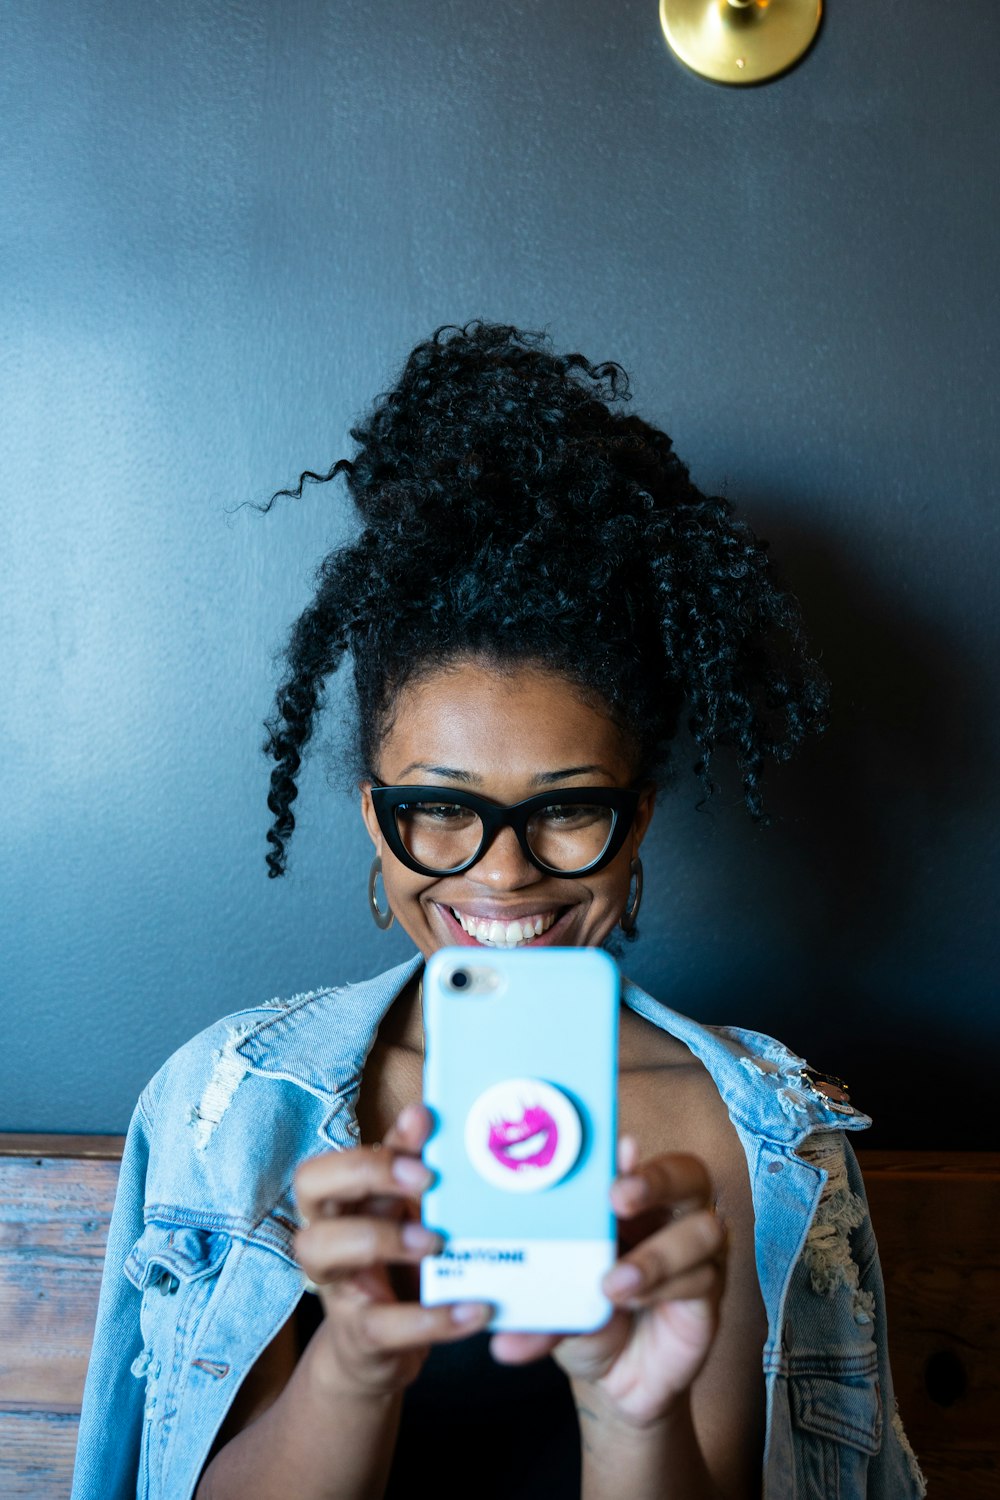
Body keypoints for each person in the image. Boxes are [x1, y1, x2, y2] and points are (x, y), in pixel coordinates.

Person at [72, 323, 925, 1500]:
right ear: (377, 820)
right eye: (441, 811)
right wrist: (355, 1368)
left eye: (568, 810)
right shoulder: (229, 1111)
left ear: (639, 817)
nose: (505, 873)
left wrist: (634, 1413)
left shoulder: (752, 1142)